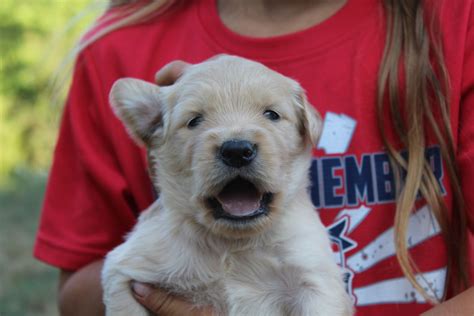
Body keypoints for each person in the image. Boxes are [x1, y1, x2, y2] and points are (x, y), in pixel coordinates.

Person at [34, 0, 474, 315]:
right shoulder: (117, 46)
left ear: (308, 130)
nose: (236, 143)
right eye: (196, 120)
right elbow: (80, 289)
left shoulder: (457, 20)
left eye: (269, 114)